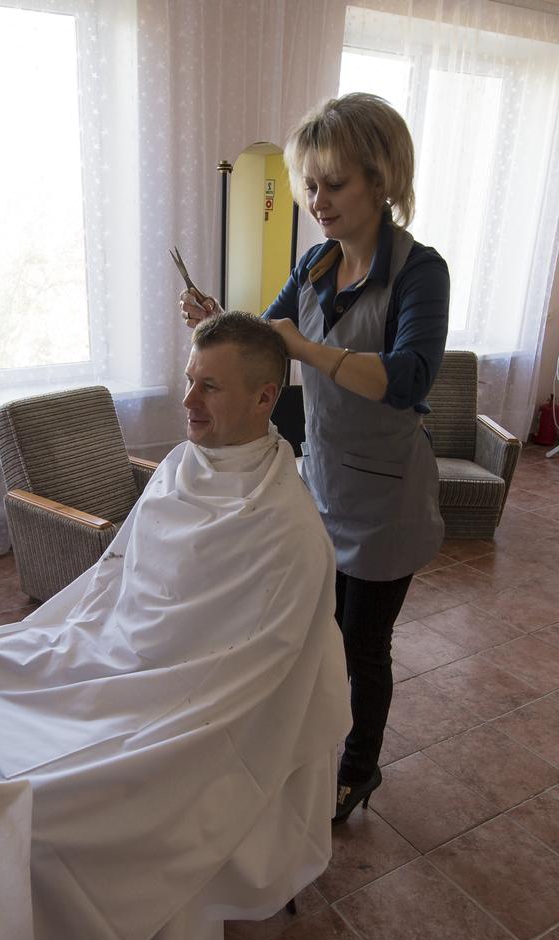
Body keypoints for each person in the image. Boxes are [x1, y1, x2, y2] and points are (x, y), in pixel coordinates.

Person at [0, 313, 350, 940]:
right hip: (117, 655)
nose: (188, 401)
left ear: (265, 399)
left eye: (210, 387)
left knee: (40, 796)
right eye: (189, 380)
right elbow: (119, 581)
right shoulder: (182, 467)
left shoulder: (289, 531)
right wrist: (82, 647)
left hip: (192, 702)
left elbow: (256, 680)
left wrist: (153, 706)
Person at [181, 93, 449, 822]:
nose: (317, 200)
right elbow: (267, 338)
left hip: (388, 495)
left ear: (381, 180)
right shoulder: (316, 263)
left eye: (334, 184)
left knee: (365, 643)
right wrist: (218, 321)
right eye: (311, 184)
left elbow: (407, 379)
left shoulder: (419, 273)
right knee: (316, 628)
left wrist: (303, 346)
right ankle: (313, 744)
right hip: (324, 480)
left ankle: (358, 769)